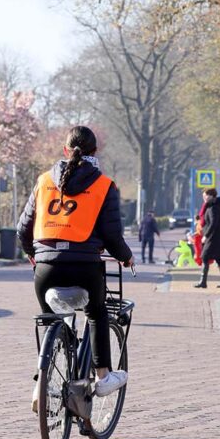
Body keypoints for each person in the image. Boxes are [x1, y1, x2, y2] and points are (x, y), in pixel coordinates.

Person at [17, 125, 133, 411]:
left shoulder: (44, 180)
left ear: (65, 150)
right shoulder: (104, 185)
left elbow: (23, 229)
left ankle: (40, 385)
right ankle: (103, 376)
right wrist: (126, 257)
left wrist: (34, 254)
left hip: (45, 269)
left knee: (51, 320)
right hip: (84, 266)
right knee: (96, 313)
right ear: (95, 152)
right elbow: (112, 236)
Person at [195, 187, 220, 288]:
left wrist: (206, 236)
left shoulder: (213, 208)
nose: (204, 198)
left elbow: (213, 224)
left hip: (214, 238)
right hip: (215, 238)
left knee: (205, 257)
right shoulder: (210, 207)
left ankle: (203, 282)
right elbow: (207, 221)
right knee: (218, 259)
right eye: (203, 196)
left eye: (205, 195)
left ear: (211, 196)